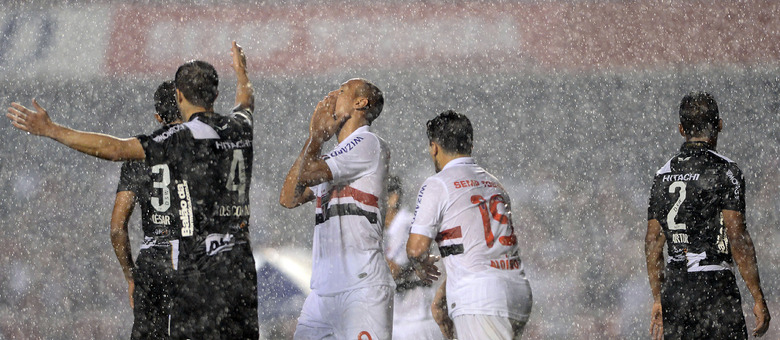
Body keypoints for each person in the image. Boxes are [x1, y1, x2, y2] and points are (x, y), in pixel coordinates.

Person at [7, 42, 259, 340]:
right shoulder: (241, 127)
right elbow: (245, 101)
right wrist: (242, 73)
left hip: (200, 274)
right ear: (216, 95)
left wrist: (52, 130)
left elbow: (115, 149)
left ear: (179, 96)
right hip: (240, 269)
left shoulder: (181, 136)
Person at [645, 91, 770, 340]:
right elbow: (737, 236)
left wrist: (658, 298)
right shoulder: (726, 171)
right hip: (715, 288)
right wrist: (757, 297)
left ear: (681, 129)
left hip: (676, 290)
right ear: (719, 125)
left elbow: (652, 243)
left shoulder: (663, 175)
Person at [279, 78, 395, 339]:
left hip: (361, 287)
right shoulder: (333, 157)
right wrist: (314, 139)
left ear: (360, 103)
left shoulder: (368, 143)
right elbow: (288, 198)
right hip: (322, 291)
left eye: (341, 91)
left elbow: (307, 174)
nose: (332, 95)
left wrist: (316, 137)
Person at [406, 110, 533, 340]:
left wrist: (420, 265)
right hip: (517, 292)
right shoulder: (494, 185)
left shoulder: (438, 184)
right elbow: (480, 252)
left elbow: (416, 249)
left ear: (434, 147)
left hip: (480, 299)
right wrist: (442, 297)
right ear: (470, 145)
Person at [110, 80, 182, 339]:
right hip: (190, 258)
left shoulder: (140, 152)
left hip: (152, 261)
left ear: (157, 116)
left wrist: (131, 276)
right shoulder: (199, 146)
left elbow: (117, 227)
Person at [384, 175, 445, 340]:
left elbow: (394, 271)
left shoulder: (404, 224)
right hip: (398, 319)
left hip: (416, 321)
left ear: (393, 197)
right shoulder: (385, 231)